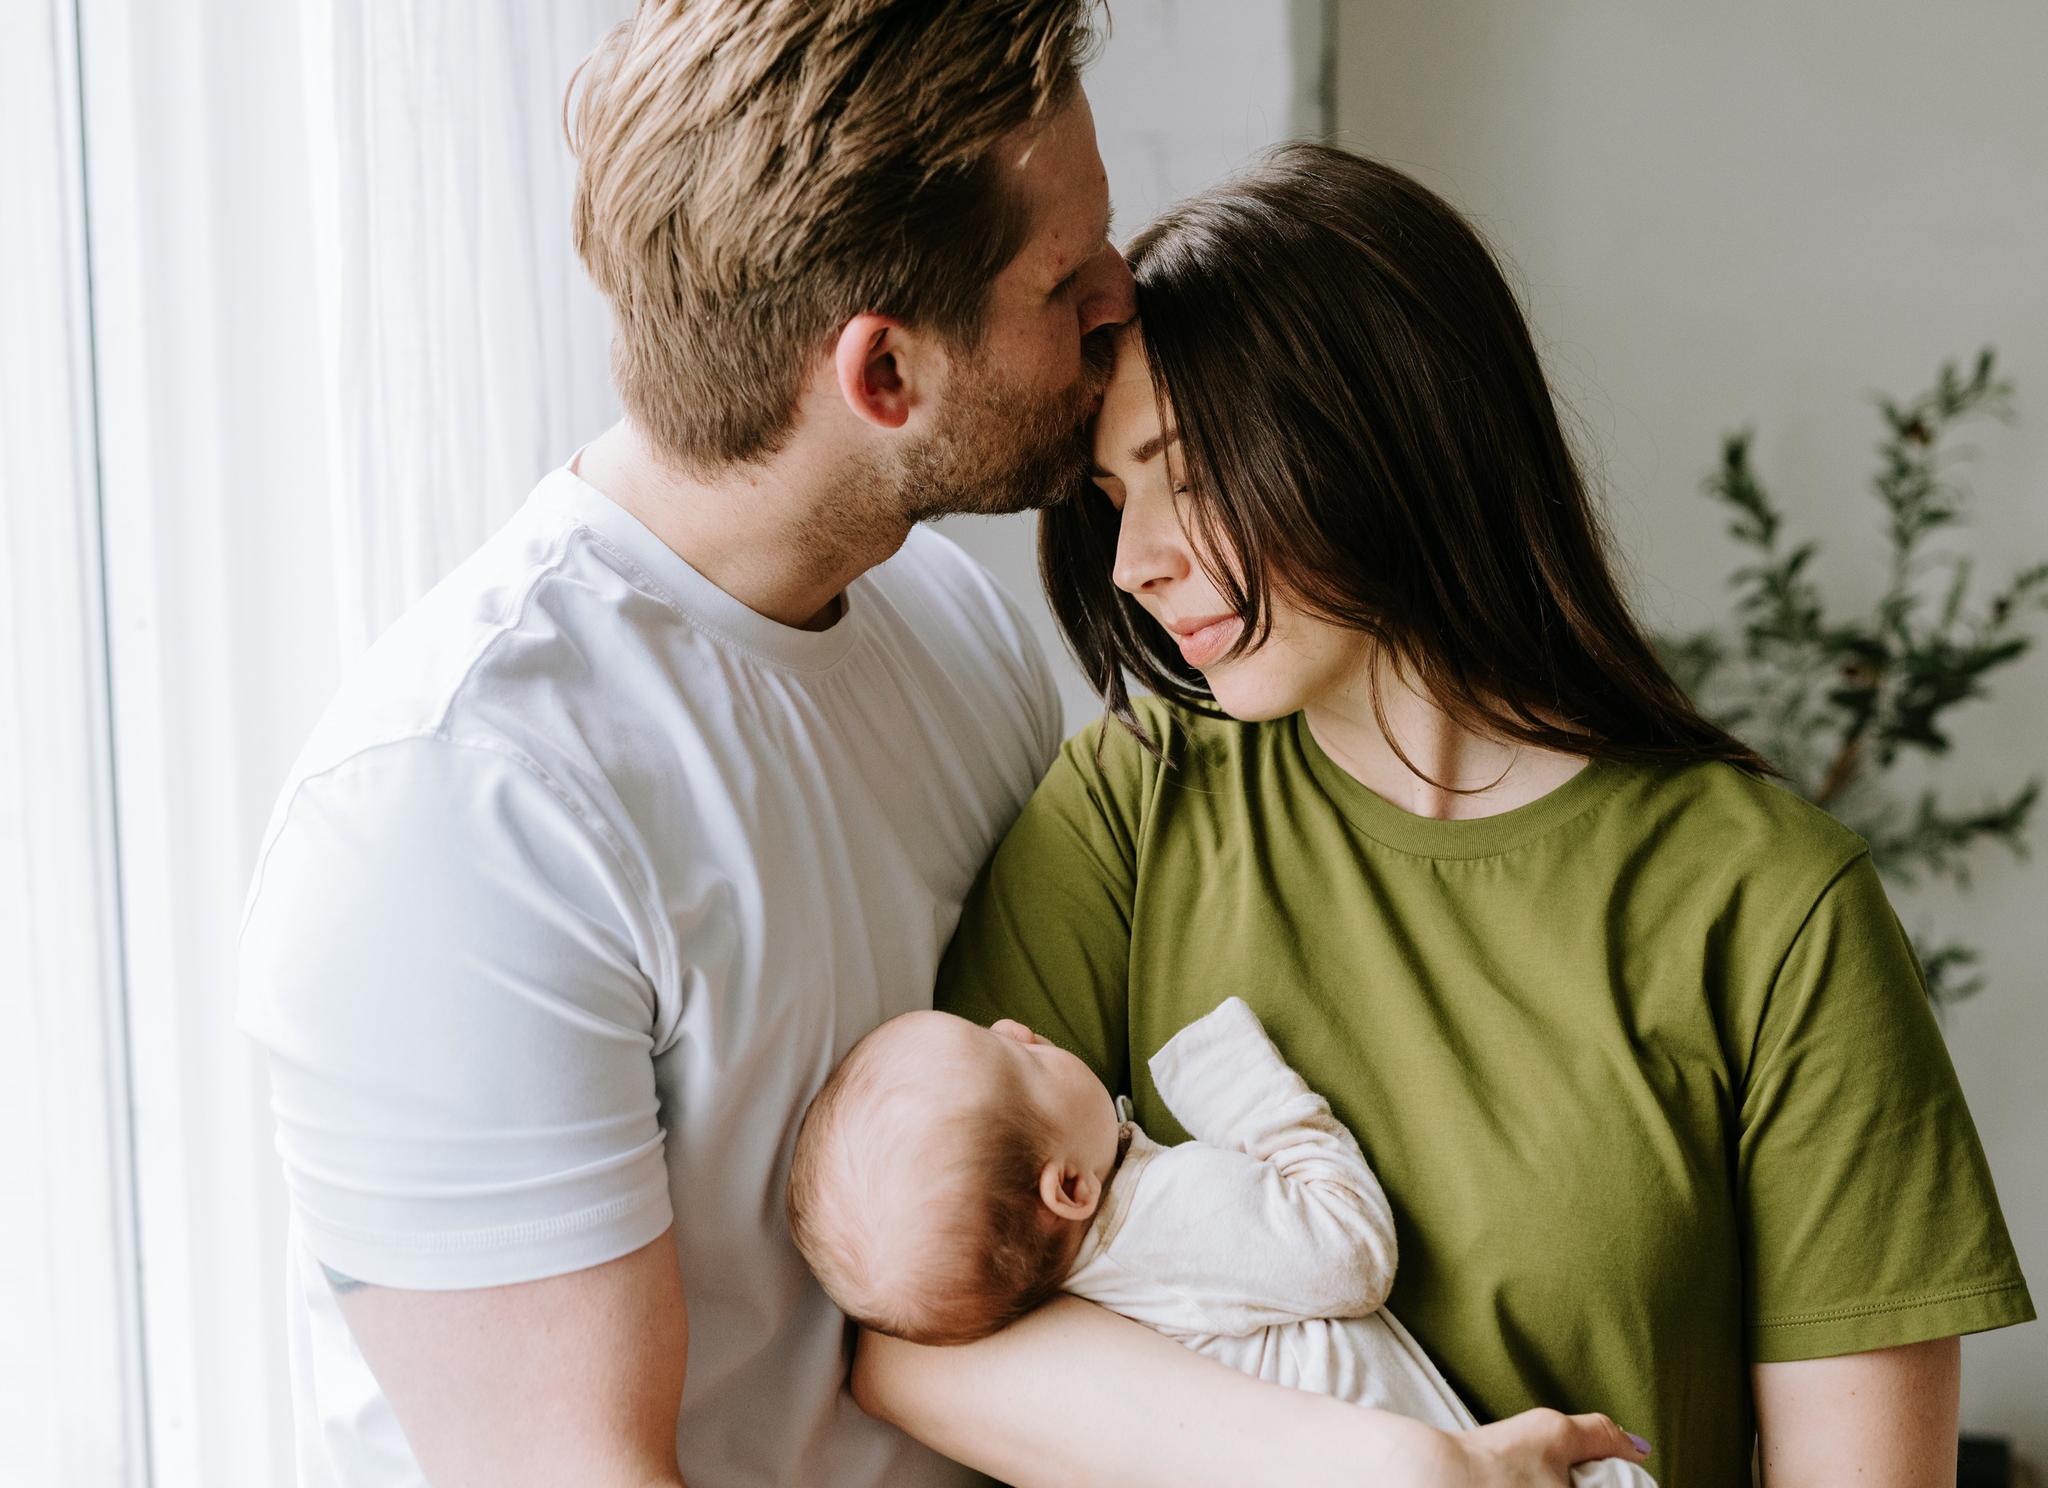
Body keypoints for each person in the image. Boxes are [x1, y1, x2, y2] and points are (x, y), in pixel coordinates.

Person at [239, 6, 1640, 1486]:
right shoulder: (460, 812)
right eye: (1067, 277)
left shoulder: (945, 628)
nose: (1123, 297)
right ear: (885, 376)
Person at [854, 144, 2036, 1485]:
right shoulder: (1132, 812)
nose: (1133, 564)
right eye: (1116, 500)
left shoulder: (1766, 906)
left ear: (1379, 435)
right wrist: (1396, 1471)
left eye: (1184, 473)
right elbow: (918, 1337)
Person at [786, 998, 1657, 1487]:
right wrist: (1244, 1090)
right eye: (1013, 1057)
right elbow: (1349, 1251)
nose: (1017, 1026)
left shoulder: (1076, 1305)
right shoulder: (1165, 1213)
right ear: (1072, 1189)